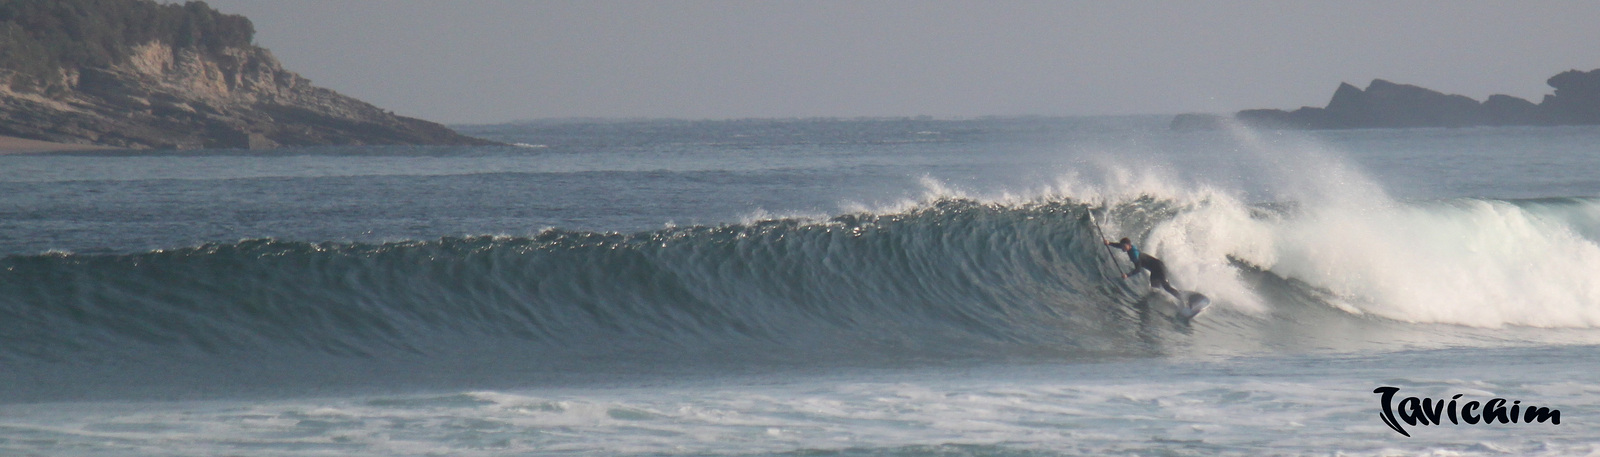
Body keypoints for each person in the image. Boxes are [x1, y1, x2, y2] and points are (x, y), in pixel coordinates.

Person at [1105, 237, 1181, 300]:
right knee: (1154, 288)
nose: (1122, 248)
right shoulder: (1130, 248)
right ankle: (1173, 296)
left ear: (1129, 245)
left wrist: (1127, 275)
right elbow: (1120, 245)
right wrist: (1109, 243)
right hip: (1154, 270)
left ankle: (1181, 298)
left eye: (1124, 247)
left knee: (1166, 287)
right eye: (1122, 246)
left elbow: (1138, 269)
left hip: (1159, 268)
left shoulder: (1134, 255)